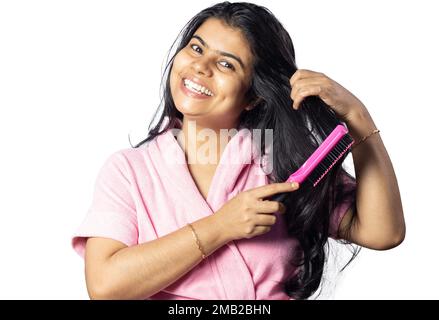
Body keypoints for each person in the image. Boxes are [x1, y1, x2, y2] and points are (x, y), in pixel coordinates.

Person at [71, 1, 405, 300]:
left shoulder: (281, 164)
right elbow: (104, 286)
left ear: (253, 96)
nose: (202, 67)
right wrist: (221, 226)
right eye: (196, 48)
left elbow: (383, 232)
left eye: (227, 65)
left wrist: (359, 119)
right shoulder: (128, 171)